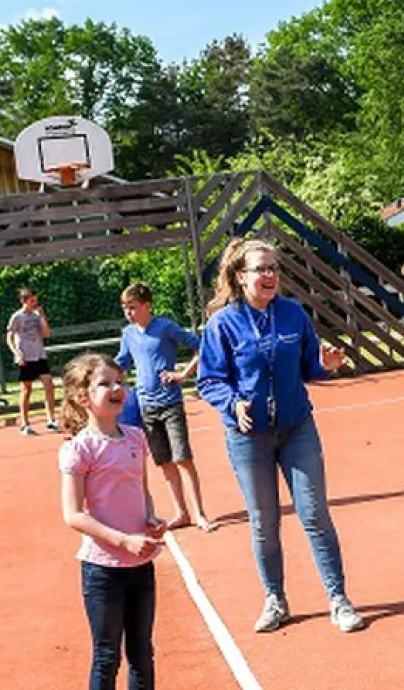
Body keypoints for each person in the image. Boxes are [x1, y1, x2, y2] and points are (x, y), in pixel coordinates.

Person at [196, 238, 365, 634]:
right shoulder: (223, 323)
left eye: (274, 268)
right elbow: (208, 380)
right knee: (263, 521)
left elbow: (311, 368)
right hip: (248, 436)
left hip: (297, 429)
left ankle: (338, 599)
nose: (270, 275)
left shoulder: (293, 314)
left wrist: (328, 365)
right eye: (261, 269)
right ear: (241, 277)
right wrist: (232, 401)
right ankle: (276, 599)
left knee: (315, 515)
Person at [58, 353, 164, 690]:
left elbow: (142, 490)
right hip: (103, 570)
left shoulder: (135, 437)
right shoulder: (79, 449)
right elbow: (73, 514)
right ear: (82, 397)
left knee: (142, 653)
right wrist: (123, 541)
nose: (117, 388)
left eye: (120, 381)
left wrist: (150, 518)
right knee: (106, 657)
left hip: (140, 564)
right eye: (105, 383)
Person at [116, 283, 214, 533]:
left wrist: (183, 374)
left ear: (147, 306)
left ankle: (200, 513)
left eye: (133, 308)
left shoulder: (166, 327)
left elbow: (201, 346)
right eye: (125, 309)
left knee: (183, 459)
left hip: (170, 403)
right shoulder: (128, 333)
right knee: (165, 462)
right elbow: (122, 363)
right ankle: (181, 513)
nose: (128, 313)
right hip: (146, 407)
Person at [6, 288, 58, 436]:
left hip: (39, 355)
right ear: (24, 301)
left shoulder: (37, 316)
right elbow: (9, 336)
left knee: (49, 385)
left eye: (36, 300)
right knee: (26, 389)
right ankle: (25, 424)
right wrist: (16, 353)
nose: (35, 303)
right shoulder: (17, 317)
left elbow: (47, 333)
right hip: (25, 356)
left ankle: (51, 420)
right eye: (32, 301)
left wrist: (42, 316)